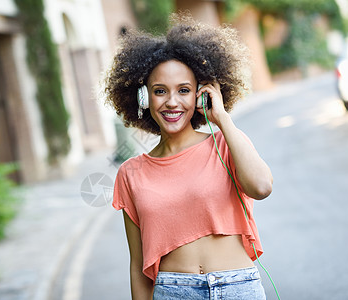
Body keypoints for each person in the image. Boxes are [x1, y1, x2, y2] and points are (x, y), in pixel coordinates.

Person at [103, 14, 273, 300]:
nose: (172, 102)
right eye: (160, 91)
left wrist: (222, 118)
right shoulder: (130, 174)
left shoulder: (225, 143)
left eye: (184, 90)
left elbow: (262, 187)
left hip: (238, 287)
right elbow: (137, 266)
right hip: (173, 292)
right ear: (143, 98)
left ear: (200, 96)